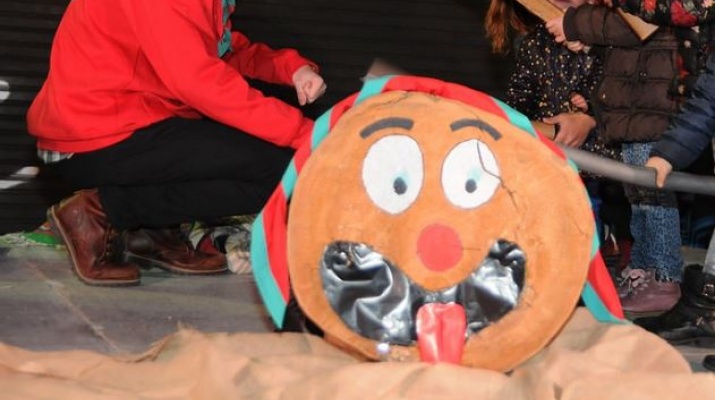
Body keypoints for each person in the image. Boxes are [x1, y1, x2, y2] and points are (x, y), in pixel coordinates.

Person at [26, 0, 326, 287]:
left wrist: (291, 68)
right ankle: (98, 212)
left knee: (269, 161)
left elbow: (220, 50)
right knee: (280, 170)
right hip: (95, 132)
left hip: (126, 120)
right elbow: (199, 81)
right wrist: (306, 135)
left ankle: (150, 233)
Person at [546, 2, 685, 314]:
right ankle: (643, 271)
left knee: (653, 196)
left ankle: (664, 276)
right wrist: (590, 41)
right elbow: (625, 36)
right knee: (639, 197)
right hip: (636, 103)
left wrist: (574, 23)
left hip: (652, 103)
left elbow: (636, 23)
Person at [485, 0, 631, 270]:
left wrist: (589, 115)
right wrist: (531, 127)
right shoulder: (534, 43)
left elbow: (623, 88)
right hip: (551, 155)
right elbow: (520, 98)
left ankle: (591, 261)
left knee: (586, 214)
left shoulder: (608, 34)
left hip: (598, 156)